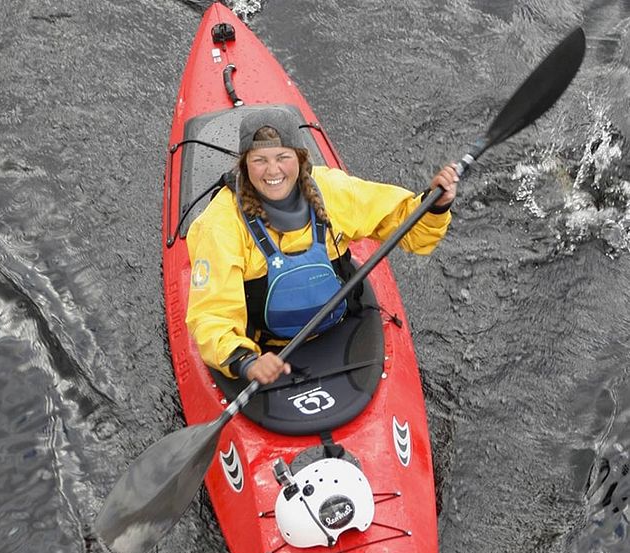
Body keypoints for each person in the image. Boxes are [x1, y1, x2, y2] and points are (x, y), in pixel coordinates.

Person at [185, 107, 458, 386]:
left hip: (337, 327)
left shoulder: (333, 190)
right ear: (243, 165)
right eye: (259, 160)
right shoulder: (219, 225)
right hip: (267, 348)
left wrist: (436, 205)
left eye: (283, 157)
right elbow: (211, 315)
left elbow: (408, 226)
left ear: (301, 159)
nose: (272, 170)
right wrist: (246, 361)